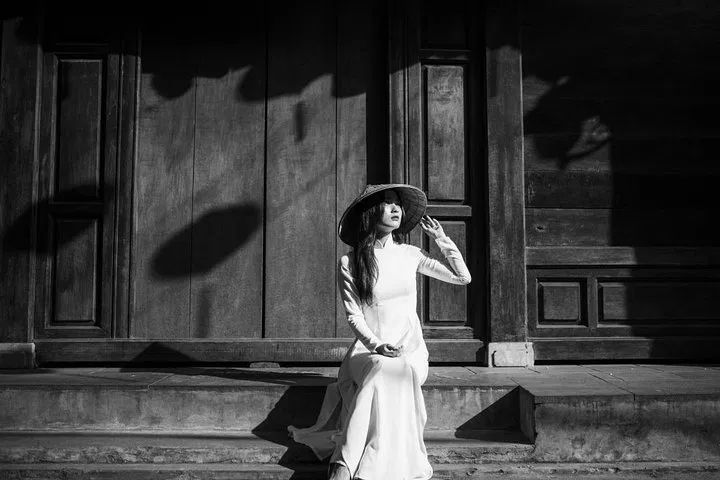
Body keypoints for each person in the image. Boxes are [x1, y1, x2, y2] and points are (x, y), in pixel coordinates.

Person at [288, 183, 472, 480]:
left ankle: (343, 465)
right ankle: (353, 465)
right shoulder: (350, 262)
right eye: (387, 203)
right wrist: (377, 345)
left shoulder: (411, 254)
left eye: (397, 203)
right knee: (381, 368)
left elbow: (463, 277)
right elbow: (354, 316)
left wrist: (441, 238)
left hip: (411, 351)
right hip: (367, 352)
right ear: (371, 213)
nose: (396, 208)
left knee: (394, 370)